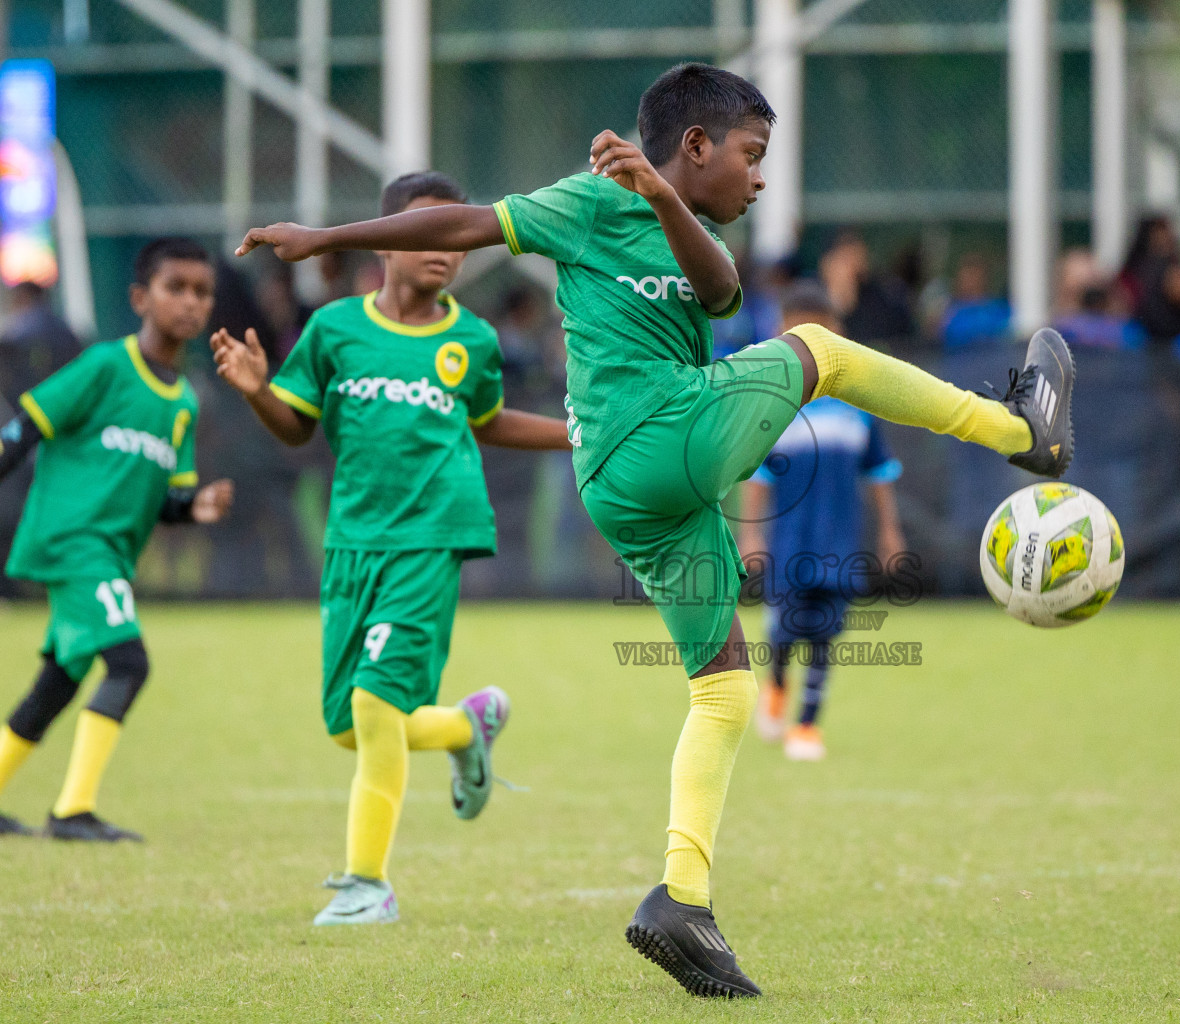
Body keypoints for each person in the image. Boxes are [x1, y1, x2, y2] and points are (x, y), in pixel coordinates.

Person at [234, 62, 1073, 997]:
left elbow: (718, 295)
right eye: (753, 156)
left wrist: (666, 194)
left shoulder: (692, 222)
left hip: (639, 487)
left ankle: (683, 902)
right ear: (698, 143)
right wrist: (327, 237)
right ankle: (1020, 429)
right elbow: (460, 225)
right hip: (649, 437)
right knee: (823, 350)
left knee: (721, 693)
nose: (759, 177)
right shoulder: (586, 203)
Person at [211, 172, 571, 926]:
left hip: (432, 538)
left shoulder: (471, 339)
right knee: (347, 725)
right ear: (387, 240)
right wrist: (254, 388)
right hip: (352, 542)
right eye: (425, 230)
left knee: (375, 705)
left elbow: (491, 420)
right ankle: (463, 726)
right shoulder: (336, 330)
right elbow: (296, 427)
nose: (444, 248)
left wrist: (578, 432)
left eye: (454, 235)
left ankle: (366, 886)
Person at [0, 238, 234, 841]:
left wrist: (195, 506)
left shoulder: (182, 400)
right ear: (140, 297)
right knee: (130, 662)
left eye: (201, 292)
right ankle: (72, 812)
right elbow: (26, 427)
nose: (189, 302)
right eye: (174, 287)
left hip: (106, 556)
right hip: (74, 542)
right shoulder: (106, 365)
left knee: (59, 680)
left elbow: (167, 498)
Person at [736, 281, 905, 762]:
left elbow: (879, 472)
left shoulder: (859, 405)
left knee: (827, 635)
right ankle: (775, 683)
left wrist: (890, 531)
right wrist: (750, 534)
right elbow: (758, 476)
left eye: (818, 329)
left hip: (838, 540)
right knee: (785, 630)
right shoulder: (773, 402)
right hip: (789, 541)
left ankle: (807, 726)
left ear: (837, 332)